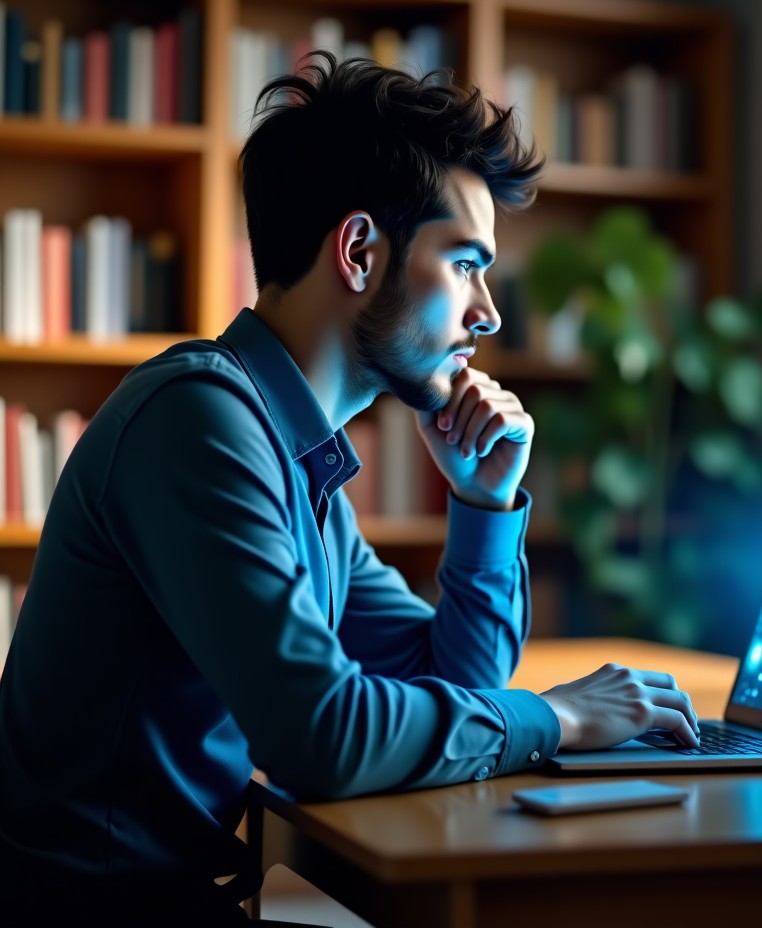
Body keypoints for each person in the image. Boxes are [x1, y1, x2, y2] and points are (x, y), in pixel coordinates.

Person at [0, 55, 699, 924]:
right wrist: (557, 720)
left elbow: (452, 682)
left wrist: (482, 508)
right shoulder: (199, 423)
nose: (488, 313)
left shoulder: (298, 459)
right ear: (360, 250)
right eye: (465, 264)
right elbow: (323, 736)